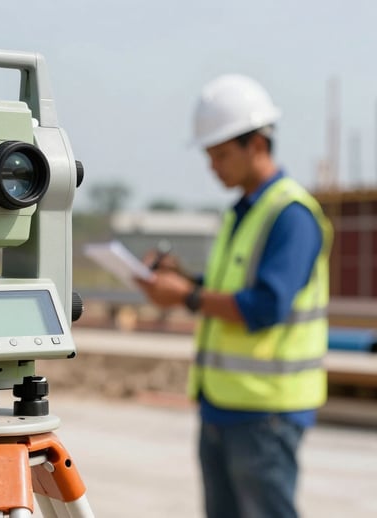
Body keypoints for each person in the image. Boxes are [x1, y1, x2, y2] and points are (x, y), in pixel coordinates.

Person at [136, 74, 332, 518]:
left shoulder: (291, 216)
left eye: (221, 154)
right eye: (209, 156)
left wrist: (186, 297)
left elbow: (266, 306)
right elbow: (227, 292)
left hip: (267, 412)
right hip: (222, 404)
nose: (213, 167)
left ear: (257, 145)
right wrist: (181, 280)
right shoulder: (241, 212)